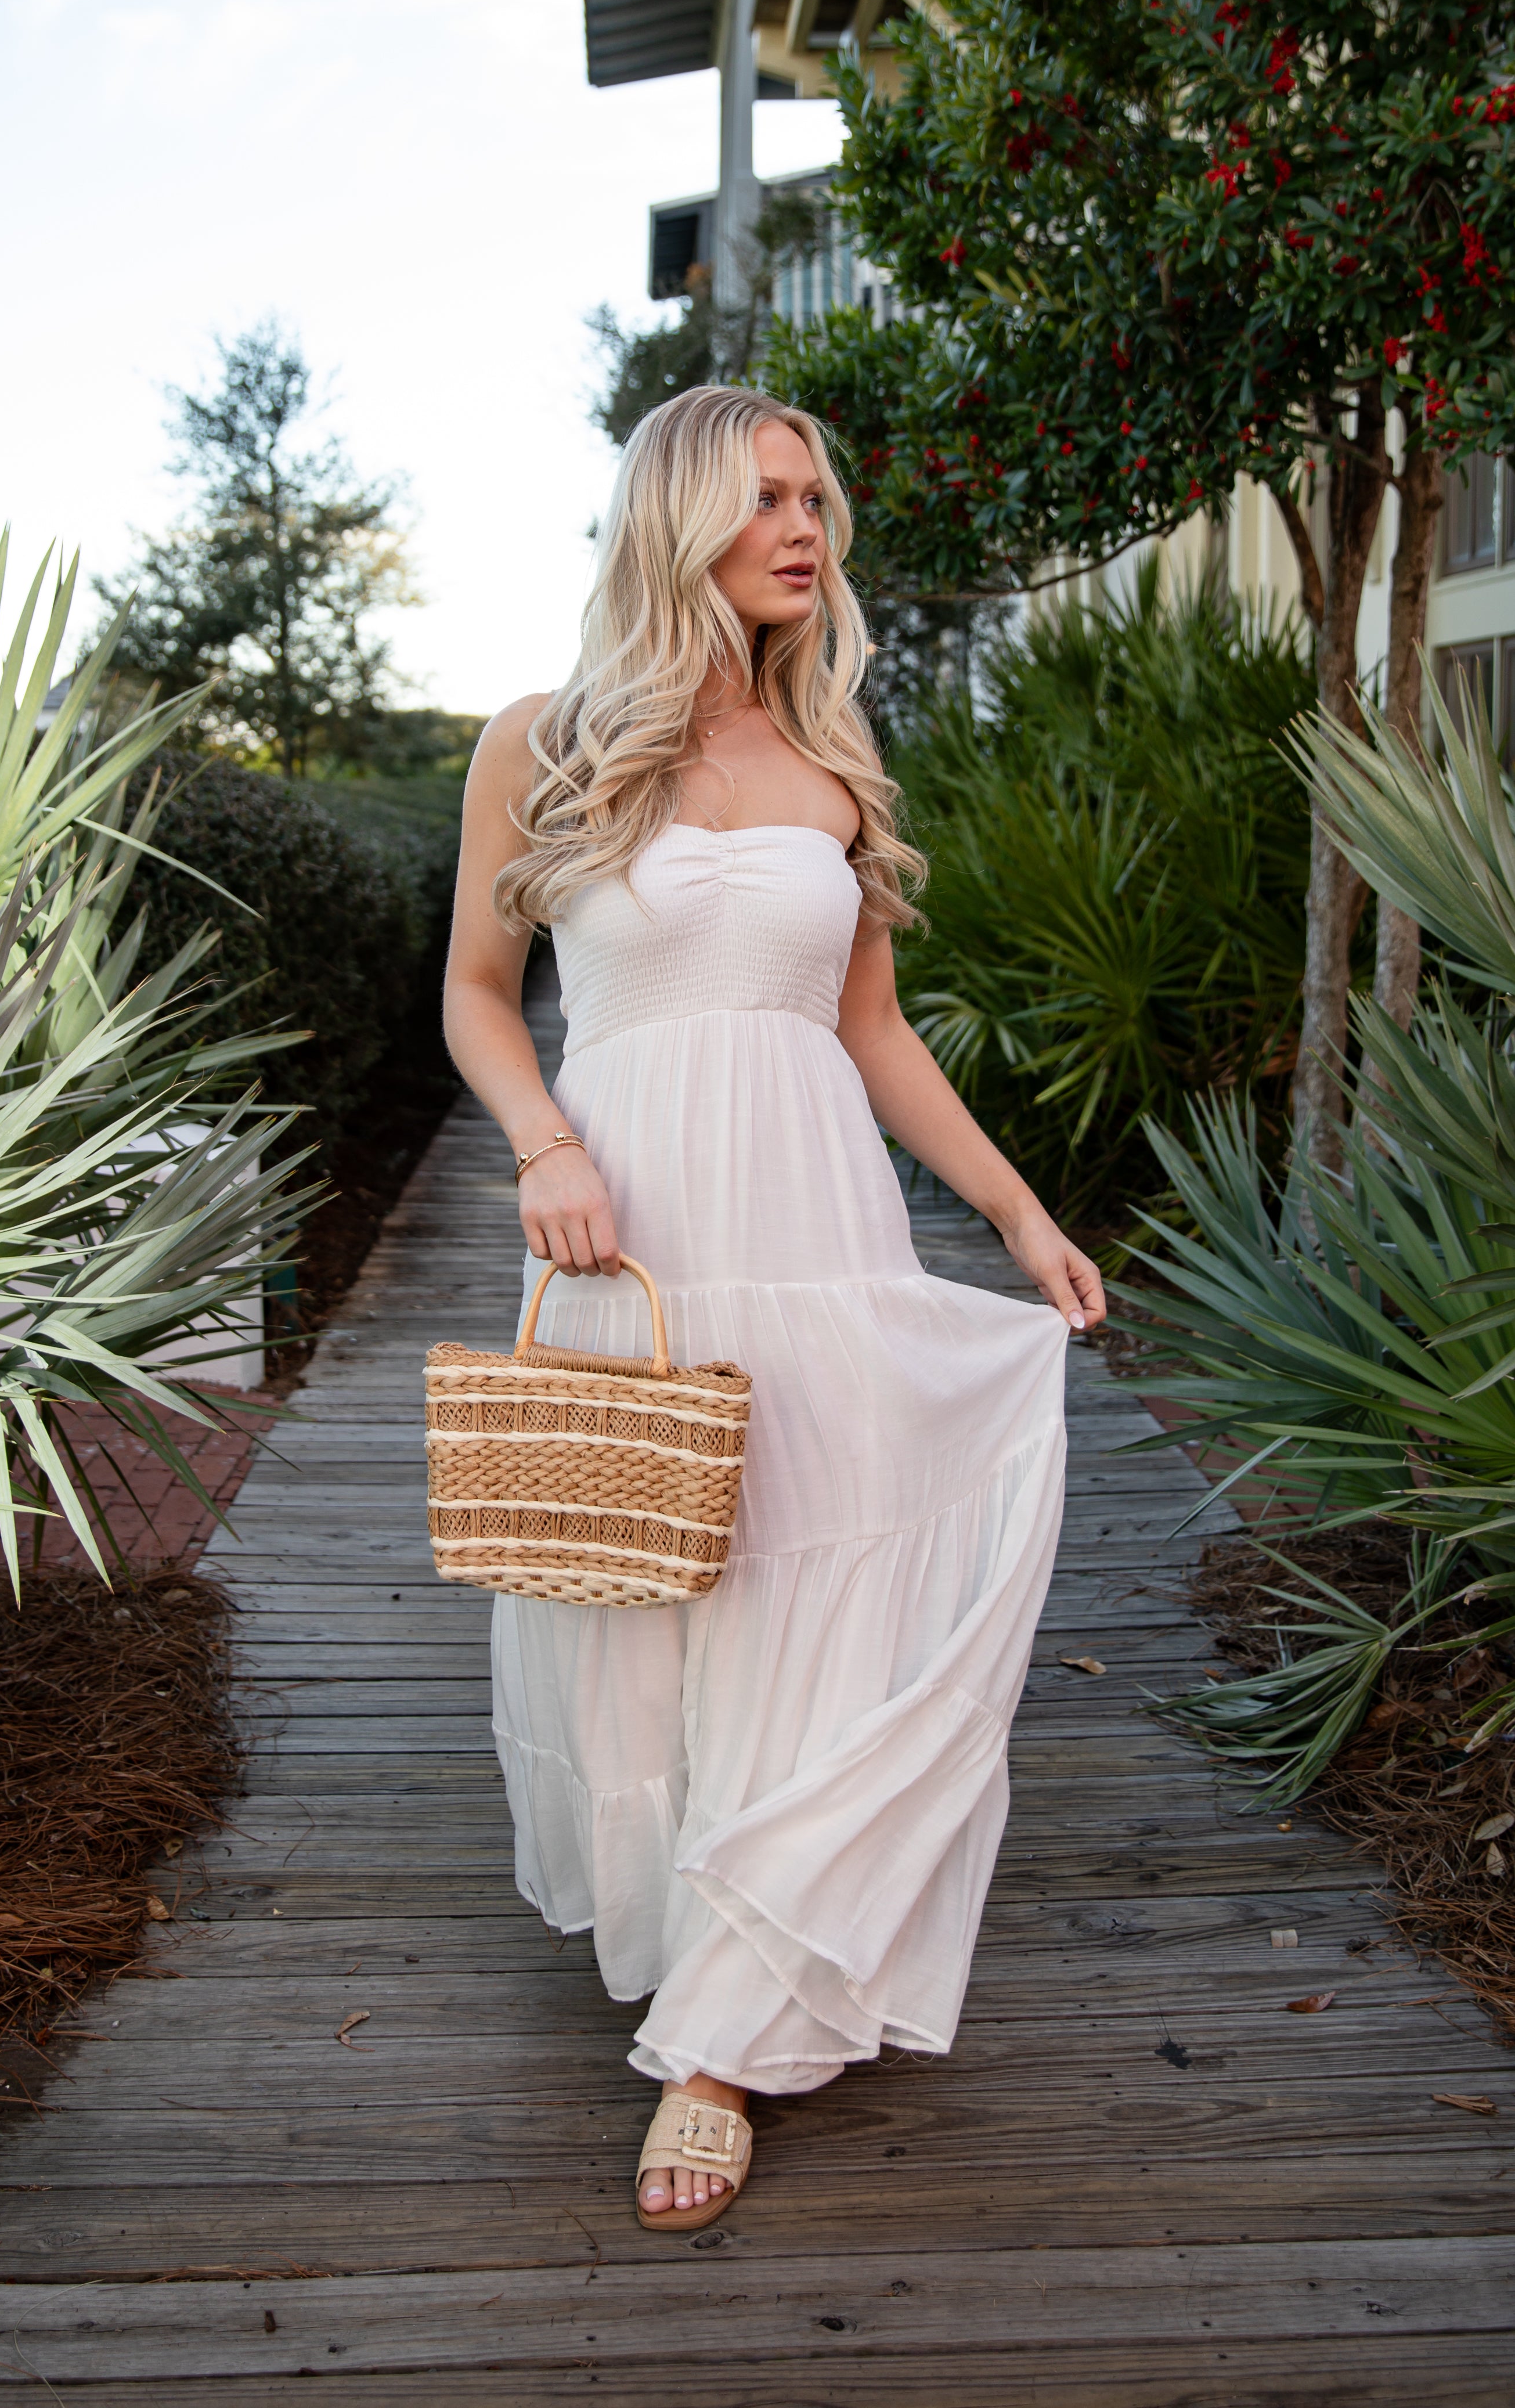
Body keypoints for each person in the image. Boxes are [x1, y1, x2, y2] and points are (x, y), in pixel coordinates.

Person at [443, 385, 1104, 2232]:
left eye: (815, 499)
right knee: (652, 1581)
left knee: (819, 1577)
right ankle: (697, 1936)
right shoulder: (543, 742)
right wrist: (541, 1147)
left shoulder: (831, 750)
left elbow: (870, 1031)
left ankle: (720, 2049)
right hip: (632, 1234)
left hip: (819, 1229)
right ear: (679, 520)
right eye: (766, 499)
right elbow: (480, 993)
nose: (806, 529)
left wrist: (1015, 1212)